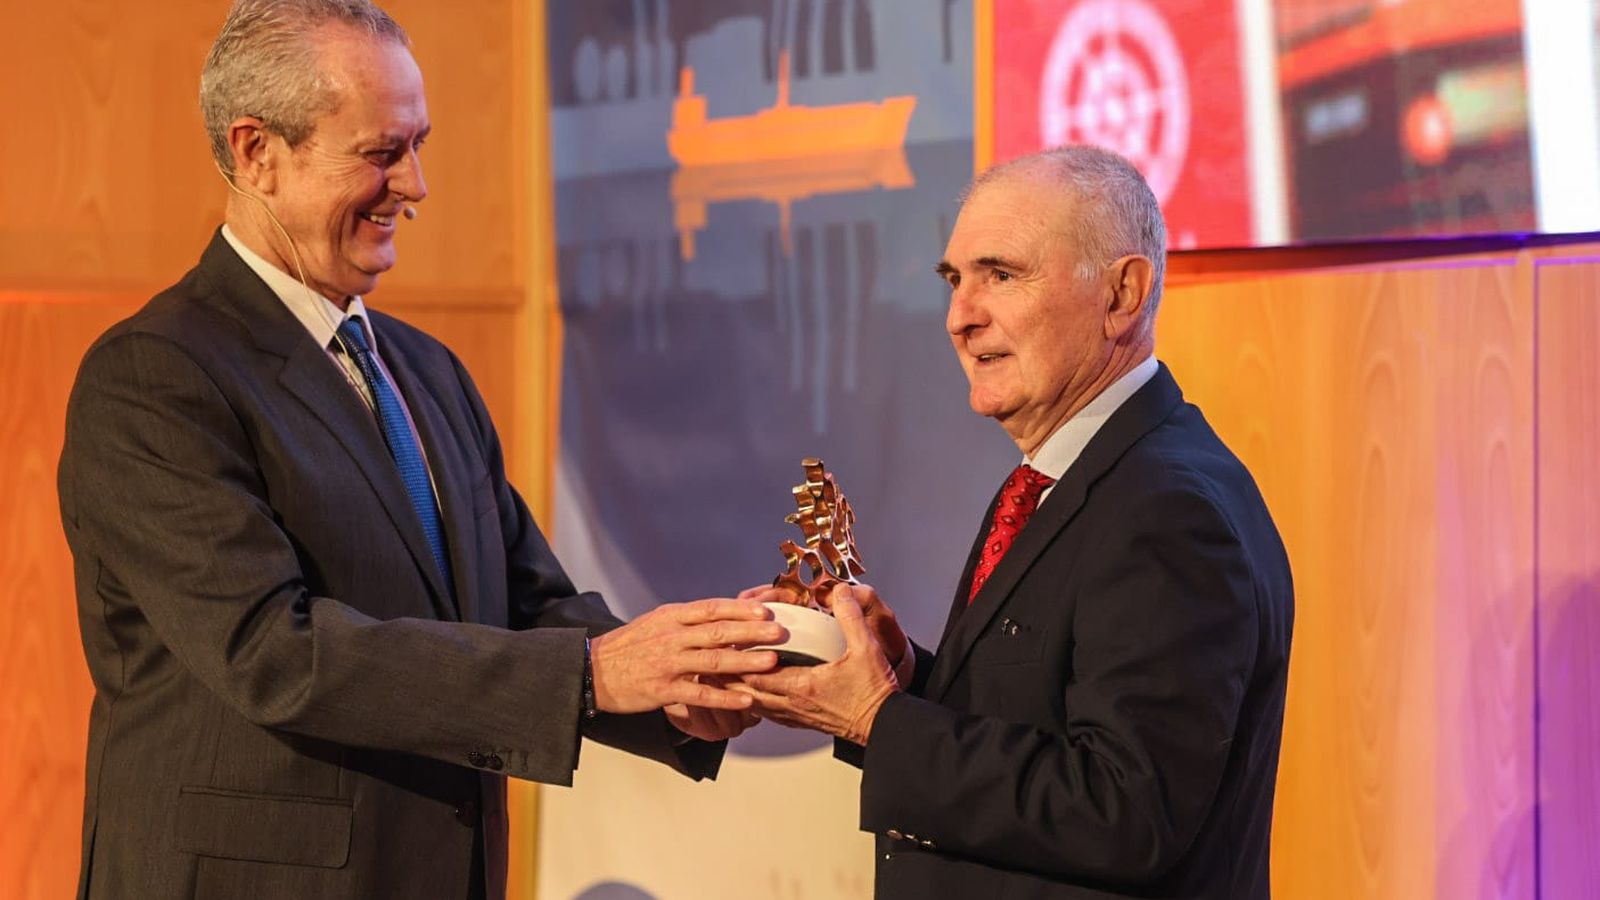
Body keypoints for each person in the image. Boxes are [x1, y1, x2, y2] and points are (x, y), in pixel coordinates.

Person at [55, 2, 783, 897]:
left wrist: (676, 688)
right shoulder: (155, 376)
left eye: (419, 145)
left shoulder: (425, 370)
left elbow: (521, 608)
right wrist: (594, 676)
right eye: (381, 152)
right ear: (257, 153)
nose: (416, 184)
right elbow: (272, 653)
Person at [736, 146, 1295, 899]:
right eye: (954, 280)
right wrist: (906, 682)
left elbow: (1126, 812)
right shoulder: (1062, 477)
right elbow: (1044, 722)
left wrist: (880, 721)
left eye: (1001, 275)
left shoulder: (1172, 510)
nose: (960, 318)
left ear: (1122, 295)